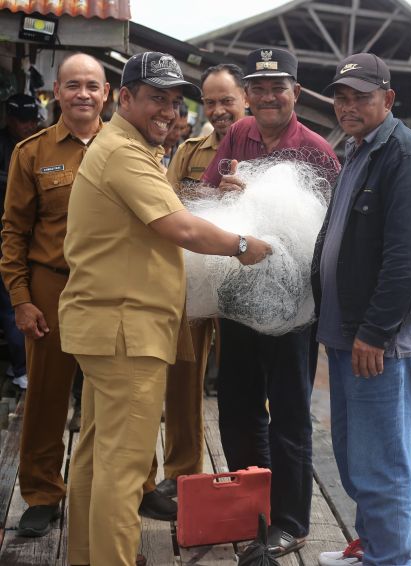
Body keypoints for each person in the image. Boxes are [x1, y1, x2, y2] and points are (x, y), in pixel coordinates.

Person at [59, 51, 272, 566]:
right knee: (125, 466)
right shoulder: (126, 154)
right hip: (126, 331)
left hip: (108, 325)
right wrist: (245, 245)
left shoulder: (125, 148)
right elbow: (181, 227)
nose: (169, 111)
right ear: (124, 97)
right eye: (156, 98)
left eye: (176, 102)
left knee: (95, 454)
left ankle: (87, 557)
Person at [200, 47, 339, 556]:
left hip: (294, 307)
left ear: (296, 93)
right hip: (239, 295)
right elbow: (208, 195)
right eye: (257, 88)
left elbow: (332, 235)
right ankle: (247, 500)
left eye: (277, 87)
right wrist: (231, 194)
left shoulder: (318, 151)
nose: (266, 97)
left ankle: (290, 520)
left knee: (289, 414)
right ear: (249, 95)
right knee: (235, 405)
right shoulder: (238, 134)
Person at [313, 53, 411, 566]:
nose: (349, 106)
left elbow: (407, 256)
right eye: (342, 97)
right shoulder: (357, 151)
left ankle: (389, 560)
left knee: (383, 465)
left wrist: (375, 330)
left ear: (388, 100)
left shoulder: (405, 157)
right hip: (350, 335)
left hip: (381, 343)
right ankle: (370, 548)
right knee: (355, 458)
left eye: (362, 97)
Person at [0, 54, 107, 538]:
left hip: (115, 287)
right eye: (73, 85)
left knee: (120, 391)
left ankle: (135, 484)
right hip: (52, 287)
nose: (83, 94)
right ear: (56, 93)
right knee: (45, 395)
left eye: (92, 85)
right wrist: (21, 298)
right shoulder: (31, 153)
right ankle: (42, 493)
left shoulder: (133, 149)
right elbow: (14, 232)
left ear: (107, 94)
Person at [139, 63, 248, 518]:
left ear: (246, 99)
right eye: (210, 101)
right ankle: (182, 469)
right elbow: (169, 208)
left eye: (227, 100)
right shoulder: (187, 151)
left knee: (243, 381)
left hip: (243, 283)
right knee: (184, 375)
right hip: (195, 278)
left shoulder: (264, 148)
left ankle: (245, 470)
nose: (219, 110)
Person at [0, 93, 40, 393]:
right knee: (12, 302)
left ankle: (27, 367)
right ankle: (22, 367)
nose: (26, 125)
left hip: (32, 241)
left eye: (30, 119)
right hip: (9, 236)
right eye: (20, 119)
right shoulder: (17, 148)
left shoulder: (41, 145)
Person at [162, 101, 189, 167]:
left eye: (182, 128)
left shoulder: (183, 153)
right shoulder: (146, 150)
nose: (178, 134)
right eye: (174, 127)